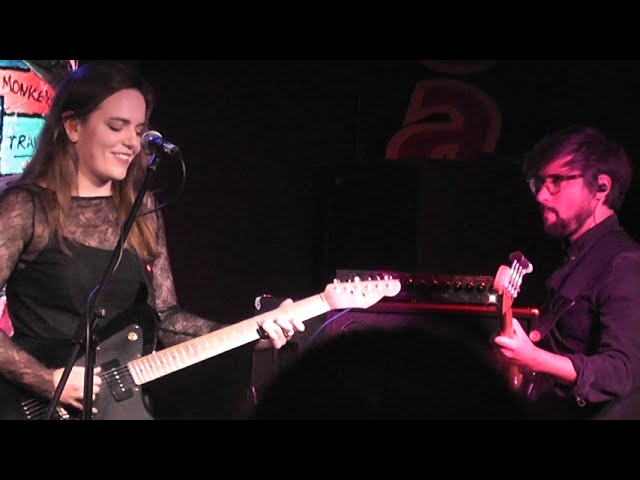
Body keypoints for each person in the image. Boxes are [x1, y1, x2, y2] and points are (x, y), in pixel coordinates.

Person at [0, 60, 304, 420]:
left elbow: (165, 318)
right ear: (73, 126)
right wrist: (47, 381)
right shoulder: (26, 207)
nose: (132, 142)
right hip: (31, 406)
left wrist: (252, 332)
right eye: (117, 126)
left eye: (139, 130)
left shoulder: (141, 207)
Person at [493, 125, 640, 420]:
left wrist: (535, 358)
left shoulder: (623, 263)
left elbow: (621, 372)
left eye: (557, 181)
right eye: (538, 182)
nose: (541, 196)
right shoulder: (578, 257)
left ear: (601, 187)